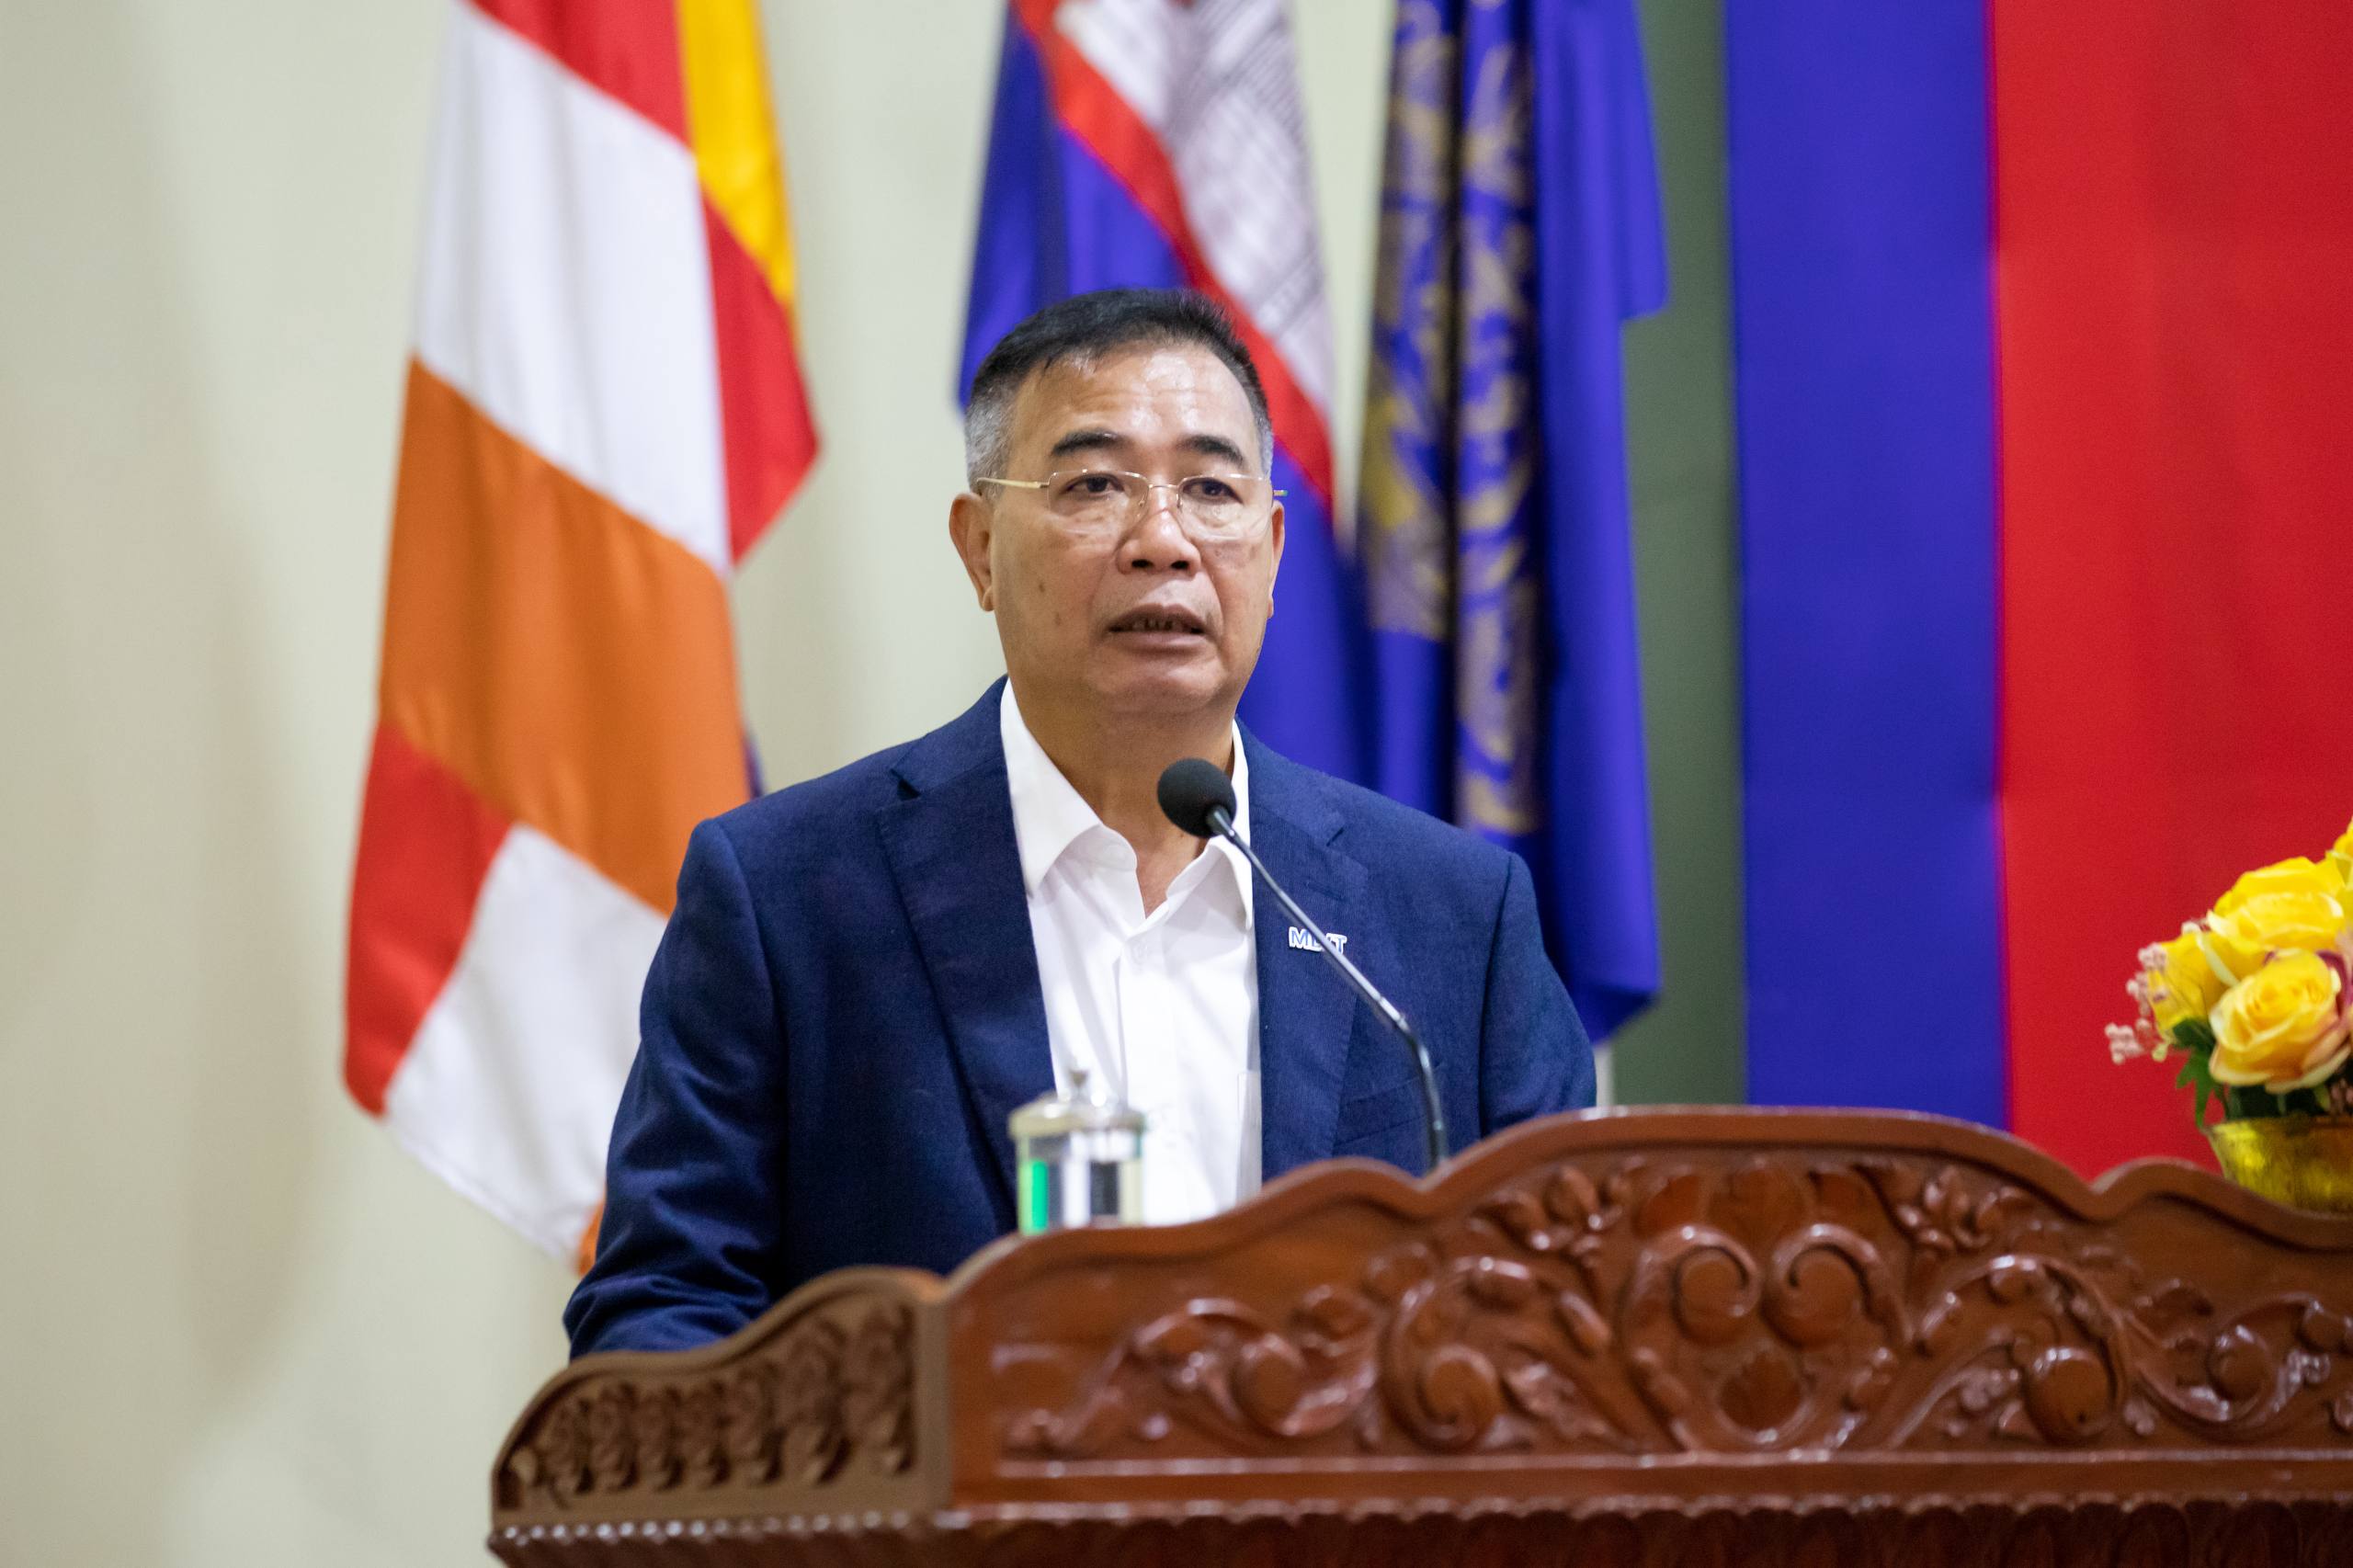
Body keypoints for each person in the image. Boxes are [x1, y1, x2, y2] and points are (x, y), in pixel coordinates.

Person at [565, 289, 1593, 1357]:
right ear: (979, 549)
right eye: (1094, 484)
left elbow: (1577, 1299)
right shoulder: (786, 899)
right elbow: (658, 1314)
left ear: (1273, 549)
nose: (1163, 540)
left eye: (1211, 488)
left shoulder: (1452, 917)